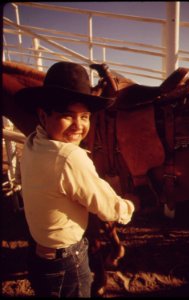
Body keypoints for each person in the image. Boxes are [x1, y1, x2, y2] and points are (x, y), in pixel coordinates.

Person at [15, 61, 135, 298]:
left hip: (39, 254)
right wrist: (129, 206)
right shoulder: (70, 156)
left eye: (85, 117)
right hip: (66, 260)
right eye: (67, 116)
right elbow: (109, 209)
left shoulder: (32, 143)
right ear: (43, 115)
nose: (78, 126)